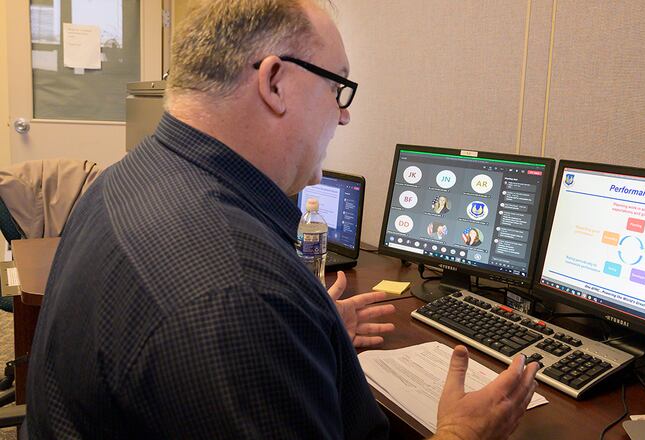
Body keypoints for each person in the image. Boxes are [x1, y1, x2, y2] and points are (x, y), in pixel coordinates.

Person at [23, 1, 539, 439]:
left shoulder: (125, 179)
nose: (344, 115)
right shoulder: (240, 294)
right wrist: (461, 433)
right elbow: (230, 310)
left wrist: (306, 333)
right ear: (274, 82)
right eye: (337, 88)